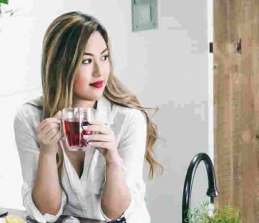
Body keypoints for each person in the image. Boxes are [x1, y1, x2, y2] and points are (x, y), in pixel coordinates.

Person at [13, 12, 161, 223]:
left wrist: (112, 158)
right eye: (87, 60)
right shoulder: (30, 118)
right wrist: (47, 152)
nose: (100, 71)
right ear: (61, 65)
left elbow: (116, 214)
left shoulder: (128, 119)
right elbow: (46, 213)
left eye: (104, 57)